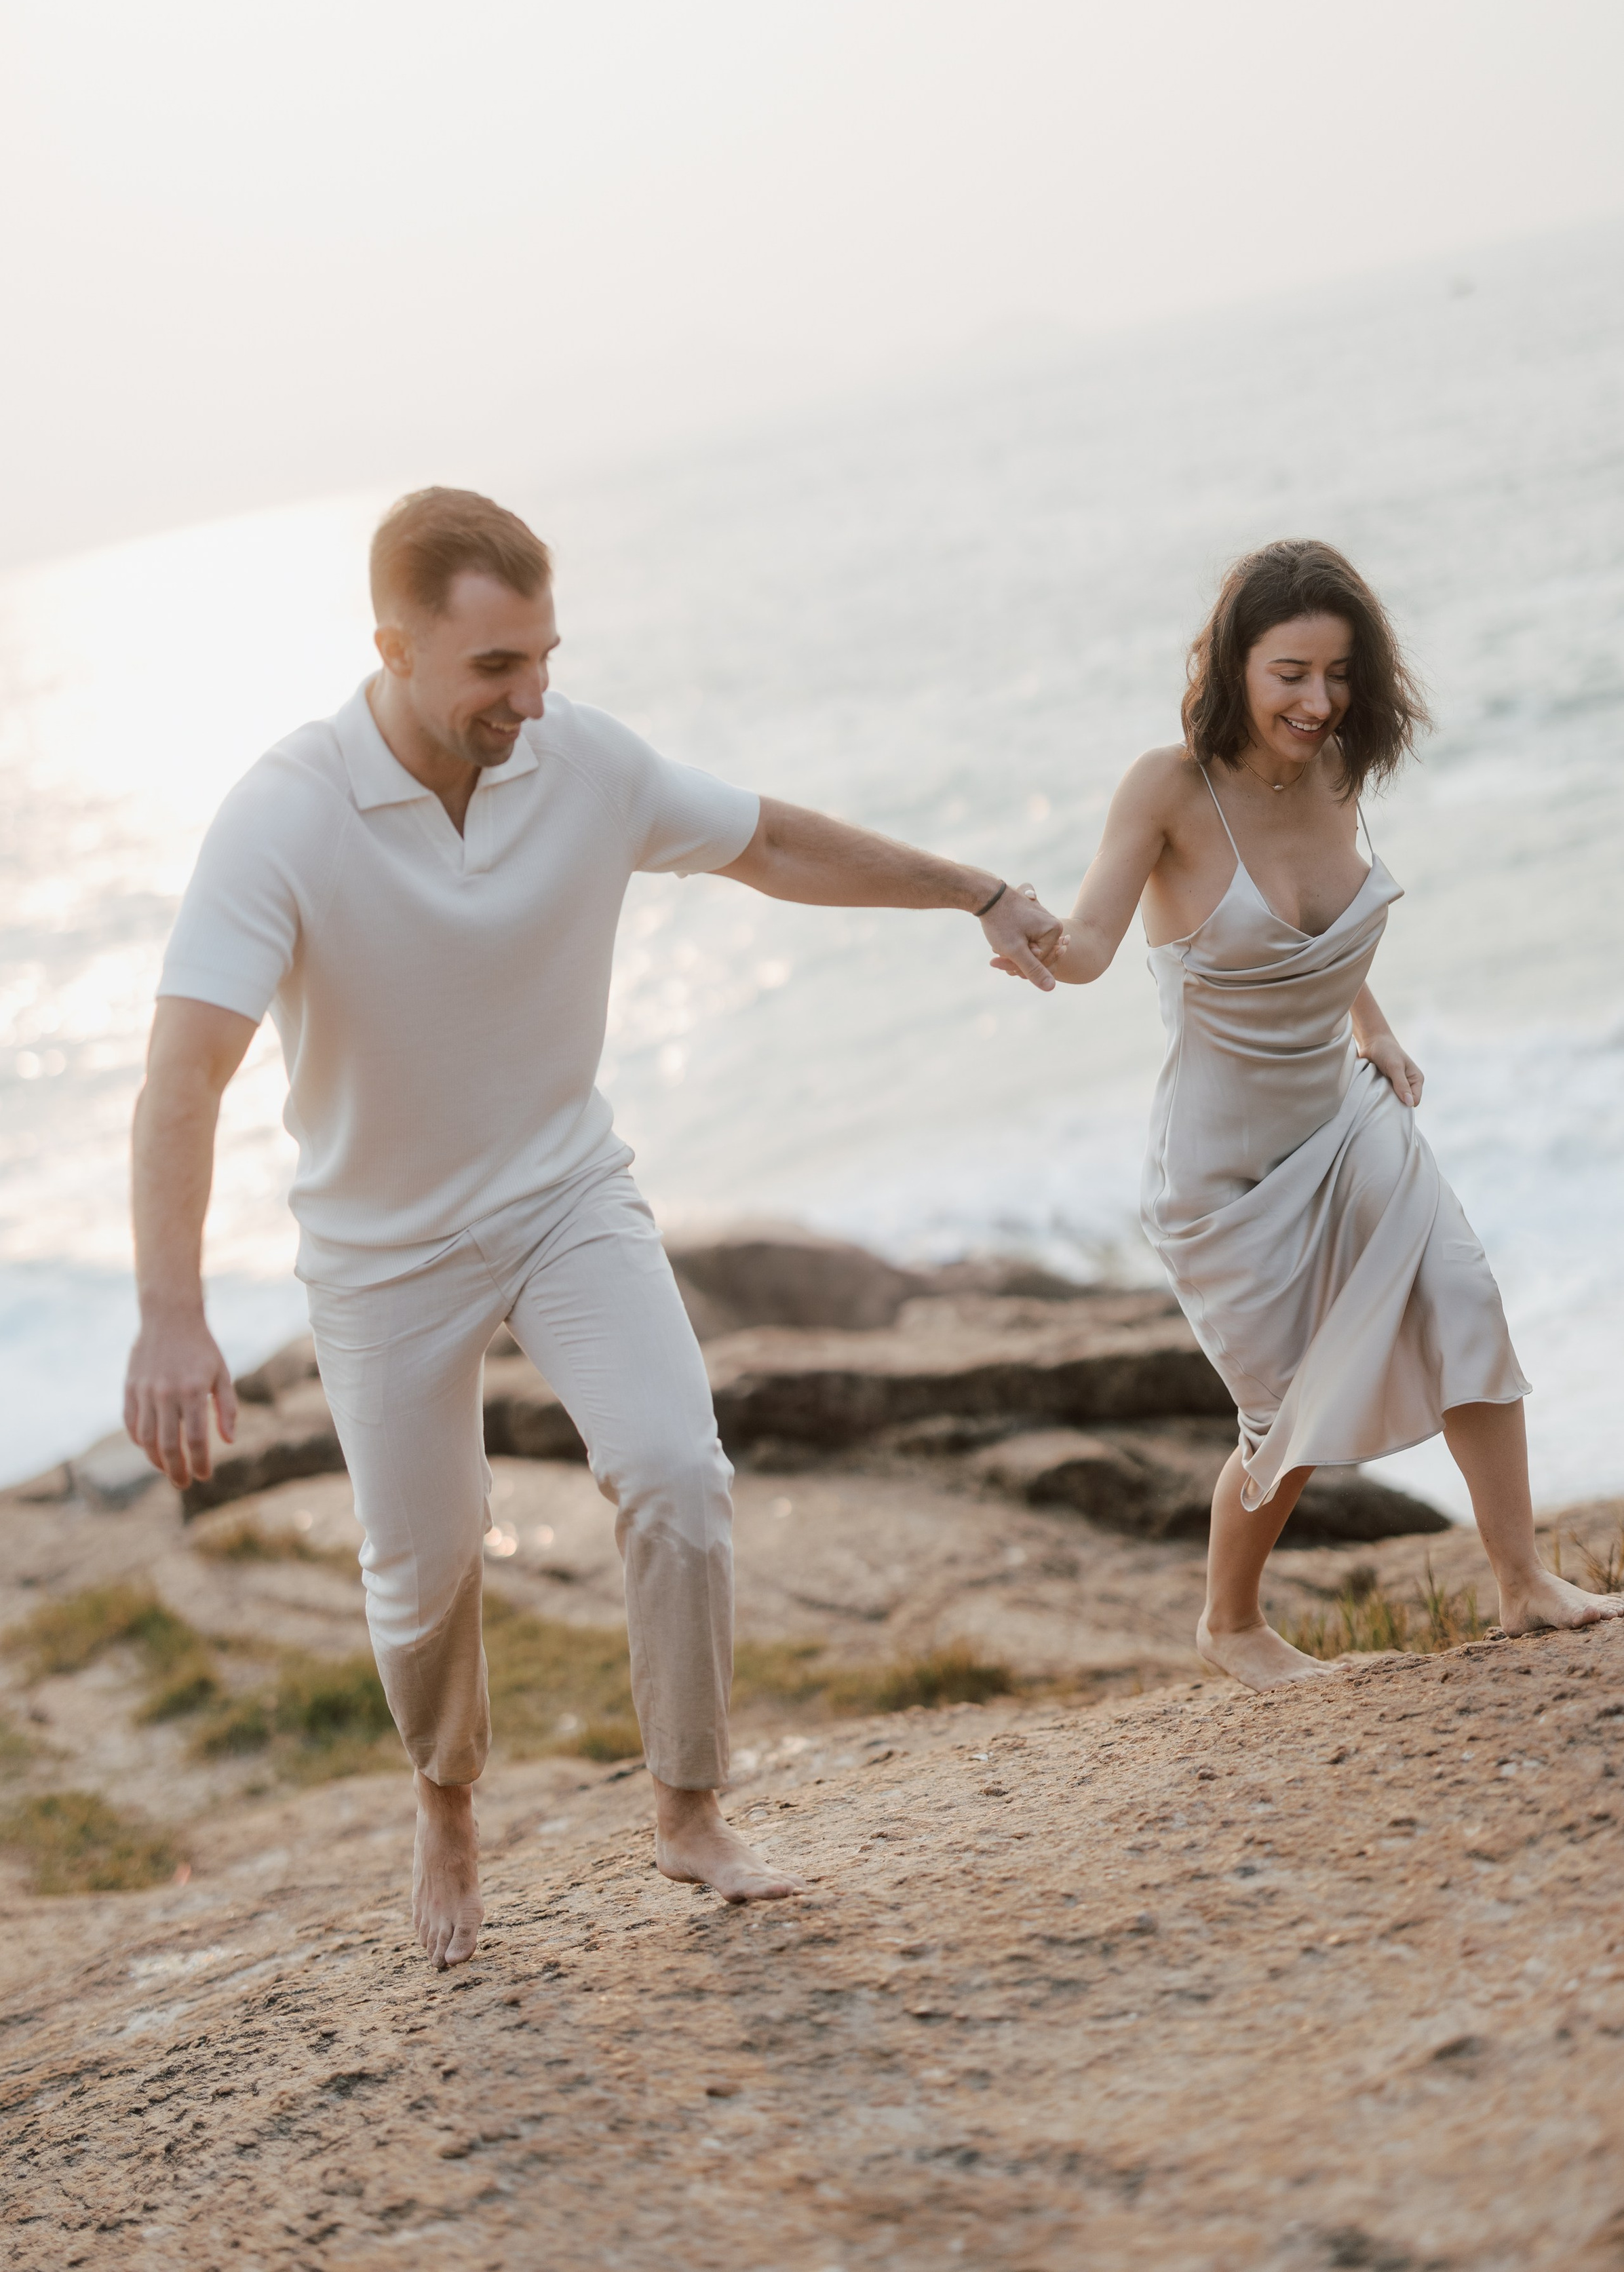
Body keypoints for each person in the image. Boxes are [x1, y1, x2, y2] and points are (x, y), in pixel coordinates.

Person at [123, 485, 1062, 1965]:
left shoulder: (582, 762)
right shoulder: (287, 812)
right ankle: (446, 1806)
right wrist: (172, 1314)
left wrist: (976, 893)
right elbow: (185, 1073)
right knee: (420, 1572)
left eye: (546, 656)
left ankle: (688, 1812)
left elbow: (768, 845)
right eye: (496, 667)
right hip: (382, 1257)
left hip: (563, 1197)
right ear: (392, 646)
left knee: (678, 1472)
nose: (532, 695)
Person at [1011, 538, 1621, 1689]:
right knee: (1283, 1419)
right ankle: (1229, 1624)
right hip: (1222, 1172)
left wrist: (1373, 1028)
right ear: (1234, 663)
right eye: (1292, 672)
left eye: (1338, 675)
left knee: (1463, 1297)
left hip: (1347, 1121)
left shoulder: (1338, 769)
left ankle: (1522, 1580)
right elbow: (1096, 946)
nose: (1319, 700)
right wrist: (1028, 932)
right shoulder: (1171, 788)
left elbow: (1314, 934)